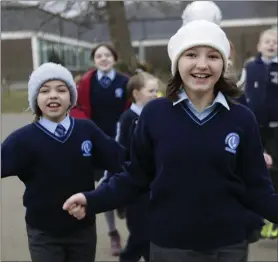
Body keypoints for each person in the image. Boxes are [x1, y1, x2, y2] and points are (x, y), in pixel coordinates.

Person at [64, 3, 278, 262]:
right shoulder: (154, 114)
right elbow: (134, 176)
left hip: (229, 245)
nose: (202, 64)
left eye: (212, 56)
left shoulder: (242, 118)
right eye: (191, 55)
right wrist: (93, 200)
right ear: (177, 62)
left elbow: (257, 188)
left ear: (223, 63)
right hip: (170, 245)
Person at [1, 62, 126, 262]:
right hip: (43, 232)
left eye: (61, 89)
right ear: (35, 99)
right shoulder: (22, 139)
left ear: (71, 98)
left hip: (82, 228)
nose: (53, 95)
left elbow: (123, 162)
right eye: (44, 91)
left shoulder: (87, 130)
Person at [70, 43, 130, 255]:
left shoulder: (125, 82)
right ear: (94, 60)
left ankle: (133, 228)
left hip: (122, 143)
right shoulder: (86, 82)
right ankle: (113, 232)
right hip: (97, 143)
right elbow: (78, 109)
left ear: (114, 58)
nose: (103, 59)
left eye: (107, 55)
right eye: (99, 56)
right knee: (104, 186)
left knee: (126, 184)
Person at [114, 71, 158, 262]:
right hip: (135, 188)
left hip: (155, 185)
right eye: (150, 91)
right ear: (136, 93)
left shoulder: (157, 115)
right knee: (140, 235)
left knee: (153, 236)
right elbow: (122, 153)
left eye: (157, 90)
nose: (155, 94)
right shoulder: (127, 119)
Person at [240, 28, 278, 239]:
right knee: (255, 169)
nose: (271, 45)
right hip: (255, 127)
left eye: (275, 42)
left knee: (275, 171)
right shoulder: (250, 67)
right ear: (259, 46)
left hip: (276, 129)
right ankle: (257, 217)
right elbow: (242, 92)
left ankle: (274, 219)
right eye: (267, 41)